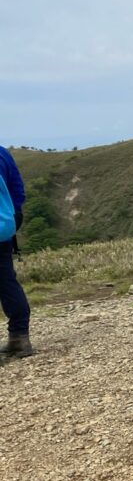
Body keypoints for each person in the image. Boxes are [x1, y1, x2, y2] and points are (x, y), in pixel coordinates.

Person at [0, 145, 31, 357]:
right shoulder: (2, 153)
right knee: (6, 279)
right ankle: (19, 336)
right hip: (4, 227)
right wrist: (10, 218)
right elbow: (18, 191)